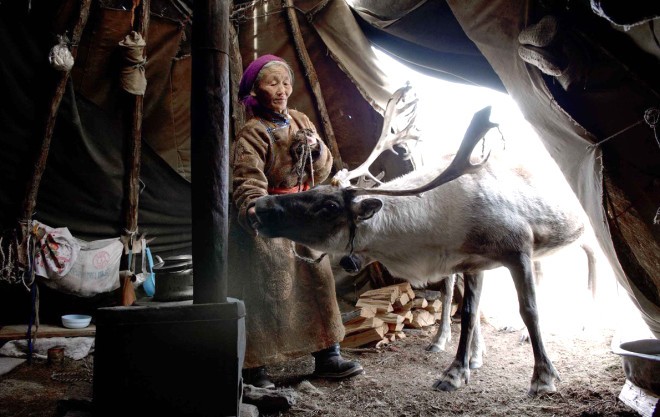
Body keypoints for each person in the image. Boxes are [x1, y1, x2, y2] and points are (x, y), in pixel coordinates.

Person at [228, 54, 364, 389]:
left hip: (305, 216)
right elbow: (247, 178)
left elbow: (323, 171)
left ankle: (327, 354)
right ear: (256, 90)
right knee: (267, 291)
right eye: (272, 83)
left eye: (285, 82)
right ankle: (256, 368)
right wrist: (256, 210)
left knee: (318, 282)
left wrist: (316, 149)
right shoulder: (253, 132)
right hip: (273, 216)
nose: (281, 90)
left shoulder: (302, 120)